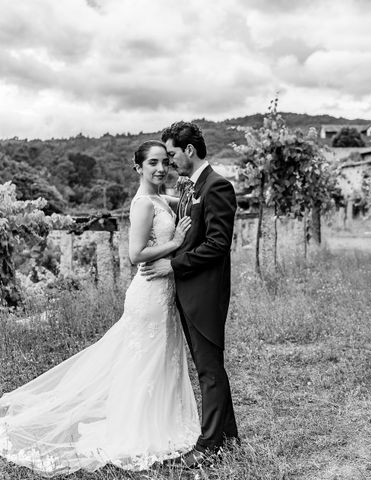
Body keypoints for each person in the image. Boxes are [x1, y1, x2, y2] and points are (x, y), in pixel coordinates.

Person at [0, 140, 199, 476]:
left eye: (165, 162)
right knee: (144, 359)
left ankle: (158, 419)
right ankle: (138, 428)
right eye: (152, 163)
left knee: (157, 358)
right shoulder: (142, 205)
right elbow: (135, 255)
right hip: (149, 291)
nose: (160, 168)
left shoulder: (161, 198)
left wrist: (192, 186)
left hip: (163, 292)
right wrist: (175, 243)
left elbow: (192, 203)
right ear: (138, 167)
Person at [141, 121, 239, 468]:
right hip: (188, 292)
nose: (169, 163)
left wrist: (174, 266)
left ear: (189, 151)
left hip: (205, 292)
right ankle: (229, 438)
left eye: (171, 155)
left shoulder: (217, 187)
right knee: (209, 367)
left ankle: (209, 444)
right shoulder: (190, 188)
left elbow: (217, 245)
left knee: (209, 370)